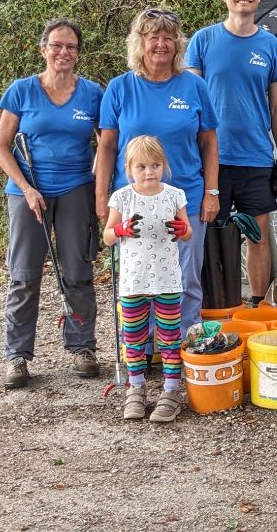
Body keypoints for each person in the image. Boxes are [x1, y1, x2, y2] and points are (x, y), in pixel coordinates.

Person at [95, 8, 219, 339]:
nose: (161, 45)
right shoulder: (120, 88)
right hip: (133, 203)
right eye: (153, 38)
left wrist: (212, 192)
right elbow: (107, 147)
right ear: (140, 43)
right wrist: (101, 196)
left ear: (178, 44)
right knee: (139, 278)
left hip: (186, 199)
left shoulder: (194, 86)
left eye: (168, 38)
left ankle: (184, 345)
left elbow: (209, 142)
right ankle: (144, 348)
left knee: (185, 278)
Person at [0, 19, 103, 388]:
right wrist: (25, 188)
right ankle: (18, 357)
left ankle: (82, 346)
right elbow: (1, 146)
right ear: (43, 49)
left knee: (77, 271)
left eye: (71, 47)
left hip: (75, 188)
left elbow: (107, 145)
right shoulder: (22, 90)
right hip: (27, 192)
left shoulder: (92, 94)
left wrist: (103, 192)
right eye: (56, 45)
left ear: (78, 53)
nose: (63, 53)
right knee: (24, 276)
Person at [186, 0, 277, 306]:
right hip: (212, 159)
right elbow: (190, 102)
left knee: (257, 235)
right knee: (211, 236)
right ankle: (213, 306)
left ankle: (257, 304)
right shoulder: (203, 40)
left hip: (256, 157)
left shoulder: (270, 45)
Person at [104, 136, 192, 422]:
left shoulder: (174, 195)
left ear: (163, 165)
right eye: (141, 167)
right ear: (129, 168)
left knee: (168, 337)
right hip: (133, 282)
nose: (149, 172)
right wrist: (120, 230)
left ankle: (170, 391)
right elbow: (106, 236)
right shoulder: (122, 197)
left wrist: (182, 230)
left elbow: (188, 231)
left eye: (155, 165)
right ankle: (136, 388)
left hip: (167, 280)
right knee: (133, 338)